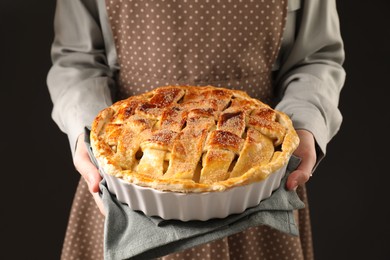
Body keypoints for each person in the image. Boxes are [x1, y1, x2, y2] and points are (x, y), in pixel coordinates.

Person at [47, 0, 345, 259]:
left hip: (258, 192)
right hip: (125, 189)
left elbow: (315, 57)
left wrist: (305, 126)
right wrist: (87, 136)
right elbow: (77, 60)